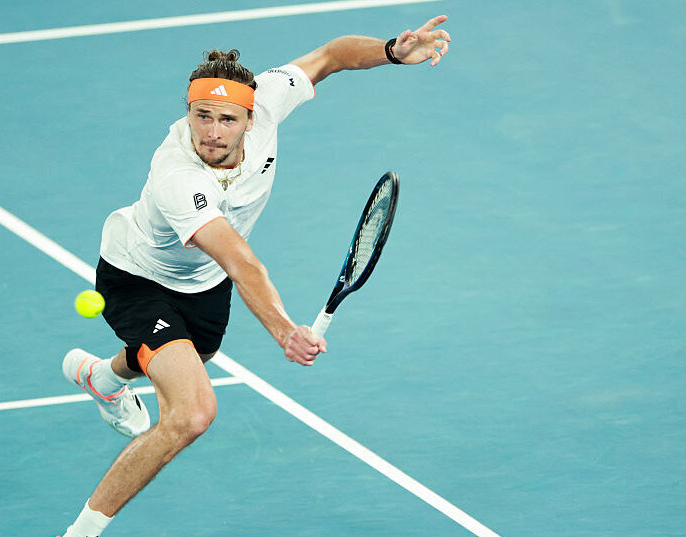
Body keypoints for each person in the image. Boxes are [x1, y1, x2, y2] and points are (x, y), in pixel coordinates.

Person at [59, 15, 451, 537]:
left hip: (202, 282)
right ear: (188, 112)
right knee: (192, 413)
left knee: (195, 355)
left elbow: (331, 55)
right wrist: (284, 331)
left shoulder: (267, 100)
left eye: (227, 119)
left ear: (250, 116)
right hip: (138, 279)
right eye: (202, 116)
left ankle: (103, 378)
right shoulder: (178, 176)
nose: (212, 132)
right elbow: (241, 261)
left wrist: (390, 51)